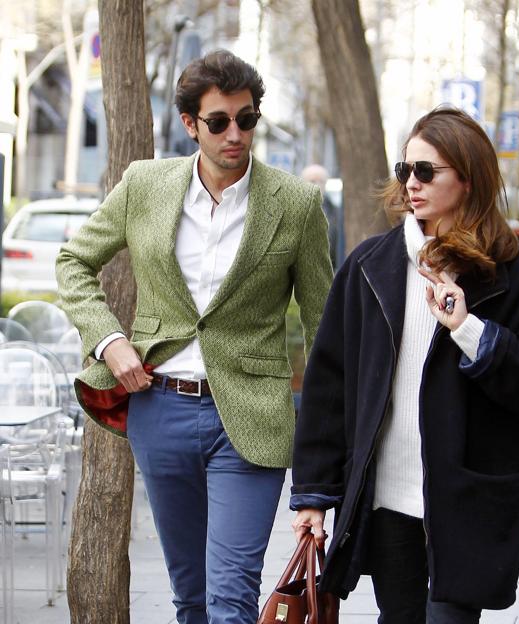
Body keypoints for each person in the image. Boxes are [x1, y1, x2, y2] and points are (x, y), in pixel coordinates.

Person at [56, 49, 333, 624]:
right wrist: (110, 340)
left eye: (247, 119)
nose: (236, 133)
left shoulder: (297, 204)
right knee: (193, 600)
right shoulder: (145, 184)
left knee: (231, 600)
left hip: (251, 420)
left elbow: (323, 322)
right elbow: (73, 262)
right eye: (219, 121)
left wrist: (326, 449)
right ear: (190, 124)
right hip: (160, 411)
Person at [290, 107, 519, 623]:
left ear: (467, 179)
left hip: (465, 500)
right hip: (389, 500)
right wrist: (313, 496)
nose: (410, 185)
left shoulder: (516, 273)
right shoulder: (371, 266)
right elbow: (331, 385)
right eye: (405, 171)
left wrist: (469, 331)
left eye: (426, 172)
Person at [301, 163, 340, 267]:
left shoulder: (335, 212)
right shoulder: (293, 209)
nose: (317, 185)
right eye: (312, 181)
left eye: (321, 181)